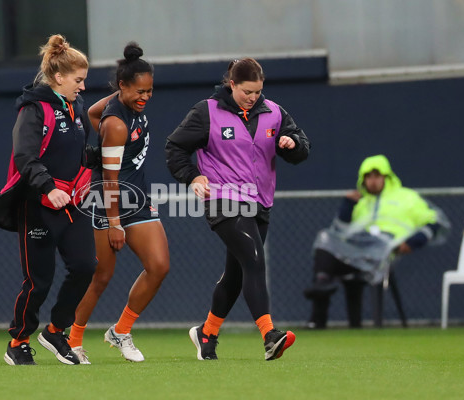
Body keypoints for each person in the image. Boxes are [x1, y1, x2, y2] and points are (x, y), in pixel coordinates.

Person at [165, 58, 310, 361]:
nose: (253, 97)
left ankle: (207, 332)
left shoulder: (274, 112)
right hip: (223, 198)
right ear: (231, 84)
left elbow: (302, 148)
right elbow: (175, 148)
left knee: (237, 274)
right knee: (254, 262)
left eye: (258, 91)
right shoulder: (207, 112)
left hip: (260, 202)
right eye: (247, 91)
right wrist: (193, 176)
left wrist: (291, 143)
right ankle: (270, 336)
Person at [0, 34, 98, 365]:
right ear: (59, 77)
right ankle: (18, 341)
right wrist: (49, 188)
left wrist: (106, 158)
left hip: (70, 206)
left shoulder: (76, 110)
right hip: (37, 206)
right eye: (78, 80)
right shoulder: (33, 110)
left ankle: (55, 331)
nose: (83, 87)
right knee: (39, 282)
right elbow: (25, 157)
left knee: (85, 266)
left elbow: (77, 156)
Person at [65, 42, 169, 363]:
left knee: (159, 266)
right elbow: (109, 181)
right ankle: (72, 340)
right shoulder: (117, 125)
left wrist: (121, 98)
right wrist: (114, 224)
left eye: (149, 91)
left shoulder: (128, 109)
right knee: (101, 277)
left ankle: (121, 331)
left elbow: (91, 111)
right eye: (139, 91)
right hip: (109, 204)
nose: (145, 97)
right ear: (123, 86)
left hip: (137, 199)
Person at [303, 154, 449, 329]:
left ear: (387, 177)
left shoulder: (407, 197)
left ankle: (322, 286)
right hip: (356, 252)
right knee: (324, 239)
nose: (372, 181)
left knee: (334, 265)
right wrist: (347, 206)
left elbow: (435, 221)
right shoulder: (361, 202)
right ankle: (319, 310)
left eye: (377, 176)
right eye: (368, 177)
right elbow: (340, 232)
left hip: (385, 253)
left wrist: (413, 242)